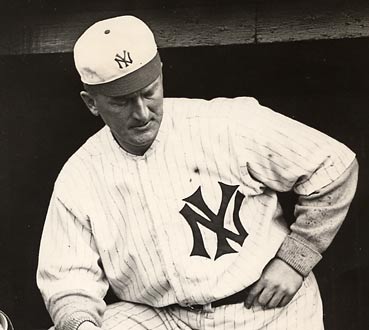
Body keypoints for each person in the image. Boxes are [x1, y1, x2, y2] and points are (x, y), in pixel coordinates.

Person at [37, 15, 358, 330]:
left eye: (149, 92)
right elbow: (67, 281)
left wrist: (295, 259)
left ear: (160, 73)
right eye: (121, 102)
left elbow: (333, 165)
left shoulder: (226, 124)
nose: (142, 112)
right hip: (165, 317)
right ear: (92, 103)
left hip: (266, 310)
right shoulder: (80, 175)